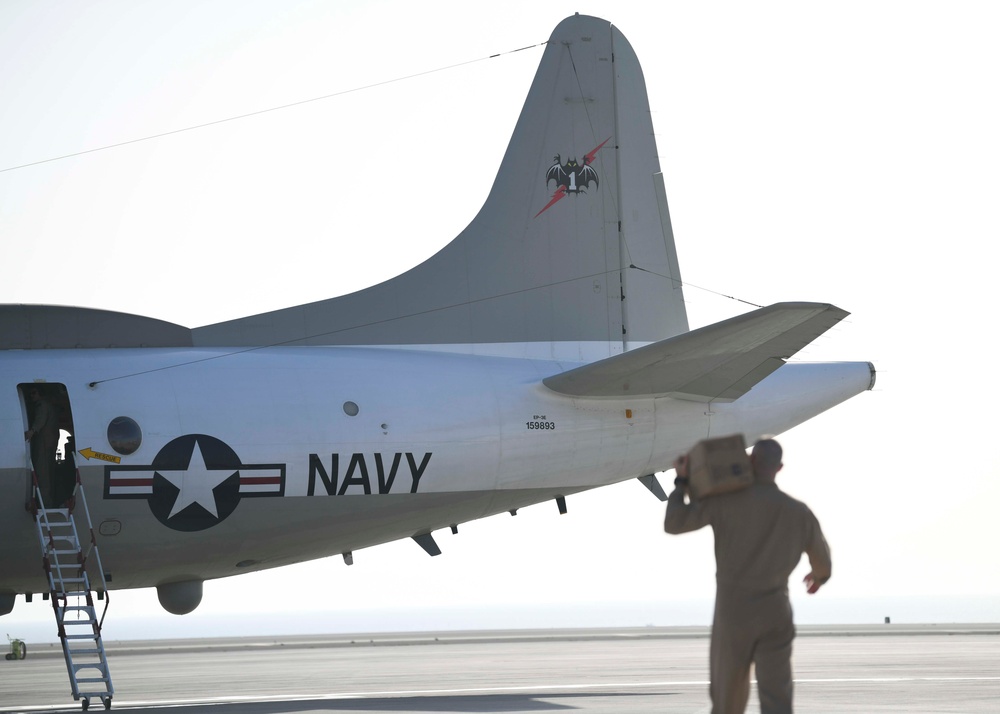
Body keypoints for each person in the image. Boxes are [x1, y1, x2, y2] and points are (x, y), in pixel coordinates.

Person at [664, 438, 831, 714]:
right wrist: (818, 578)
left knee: (727, 700)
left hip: (733, 615)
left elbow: (674, 523)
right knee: (777, 699)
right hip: (775, 611)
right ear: (779, 468)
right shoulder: (799, 512)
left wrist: (681, 482)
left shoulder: (724, 502)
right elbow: (823, 564)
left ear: (750, 461)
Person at [24, 388, 60, 508]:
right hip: (49, 442)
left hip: (44, 443)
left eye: (34, 393)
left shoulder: (42, 405)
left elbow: (40, 419)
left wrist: (32, 431)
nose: (31, 396)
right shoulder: (49, 405)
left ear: (40, 393)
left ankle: (45, 504)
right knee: (47, 472)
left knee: (42, 473)